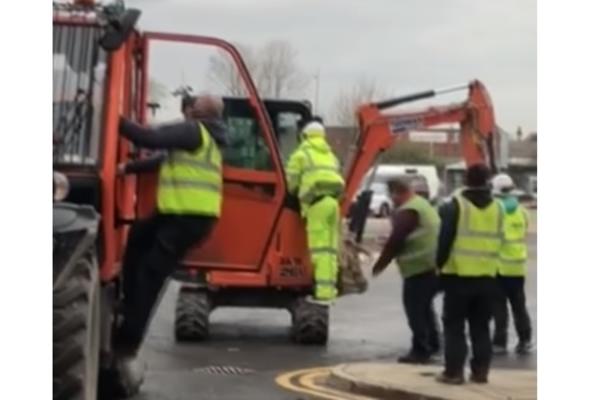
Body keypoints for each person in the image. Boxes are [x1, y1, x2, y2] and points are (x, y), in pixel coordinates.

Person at [111, 94, 228, 393]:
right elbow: (161, 159)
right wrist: (128, 170)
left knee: (151, 276)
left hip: (185, 218)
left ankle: (126, 343)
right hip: (183, 216)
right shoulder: (207, 138)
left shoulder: (193, 131)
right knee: (137, 239)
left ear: (199, 112)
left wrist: (110, 114)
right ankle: (126, 301)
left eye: (193, 105)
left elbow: (148, 137)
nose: (188, 108)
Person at [436, 164, 503, 385]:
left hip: (458, 276)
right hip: (487, 277)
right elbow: (500, 239)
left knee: (454, 327)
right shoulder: (498, 208)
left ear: (465, 179)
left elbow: (444, 240)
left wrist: (439, 265)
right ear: (487, 181)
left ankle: (454, 372)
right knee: (481, 327)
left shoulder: (455, 206)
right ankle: (481, 371)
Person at [371, 178, 441, 364]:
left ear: (397, 193)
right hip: (433, 265)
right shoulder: (422, 205)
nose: (391, 200)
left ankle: (420, 350)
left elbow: (397, 240)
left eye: (391, 195)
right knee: (425, 308)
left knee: (415, 310)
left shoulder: (408, 210)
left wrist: (380, 265)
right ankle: (433, 344)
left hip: (419, 267)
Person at [285, 121, 345, 303]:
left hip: (316, 205)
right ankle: (329, 289)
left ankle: (322, 293)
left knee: (319, 250)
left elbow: (292, 184)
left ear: (304, 136)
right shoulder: (331, 156)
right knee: (330, 250)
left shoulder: (301, 155)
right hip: (333, 204)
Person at [491, 173, 533, 355]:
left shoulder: (495, 209)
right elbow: (524, 231)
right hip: (517, 266)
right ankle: (525, 340)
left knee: (499, 307)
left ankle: (500, 342)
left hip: (499, 266)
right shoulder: (522, 211)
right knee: (519, 306)